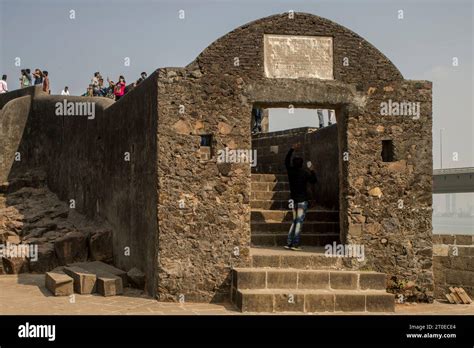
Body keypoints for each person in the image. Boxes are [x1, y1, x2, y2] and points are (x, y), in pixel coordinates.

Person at [284, 143, 317, 251]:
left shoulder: (291, 171)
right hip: (302, 201)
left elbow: (286, 161)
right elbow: (314, 181)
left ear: (293, 164)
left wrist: (292, 149)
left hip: (293, 200)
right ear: (302, 164)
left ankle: (289, 243)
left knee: (294, 221)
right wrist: (312, 169)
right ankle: (295, 244)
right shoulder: (304, 173)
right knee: (299, 222)